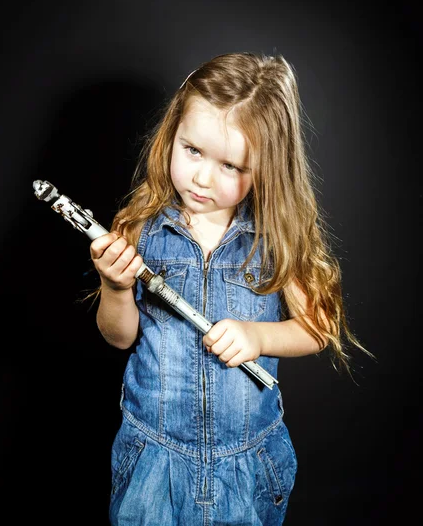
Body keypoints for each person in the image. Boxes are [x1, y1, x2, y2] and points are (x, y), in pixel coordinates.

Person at [89, 52, 372, 525]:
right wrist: (114, 287)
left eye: (231, 166)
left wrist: (259, 337)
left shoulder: (277, 237)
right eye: (192, 150)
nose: (202, 177)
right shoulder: (138, 226)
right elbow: (118, 337)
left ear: (267, 167)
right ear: (172, 134)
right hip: (153, 461)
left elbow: (318, 328)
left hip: (246, 465)